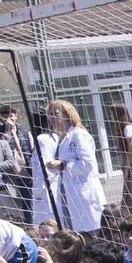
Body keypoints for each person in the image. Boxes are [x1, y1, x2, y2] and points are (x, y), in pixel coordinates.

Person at [47, 99, 105, 235]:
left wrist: (63, 164)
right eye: (50, 115)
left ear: (67, 115)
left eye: (56, 114)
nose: (52, 118)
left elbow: (87, 164)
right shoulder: (63, 137)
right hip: (70, 194)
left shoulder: (78, 135)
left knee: (92, 236)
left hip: (85, 194)